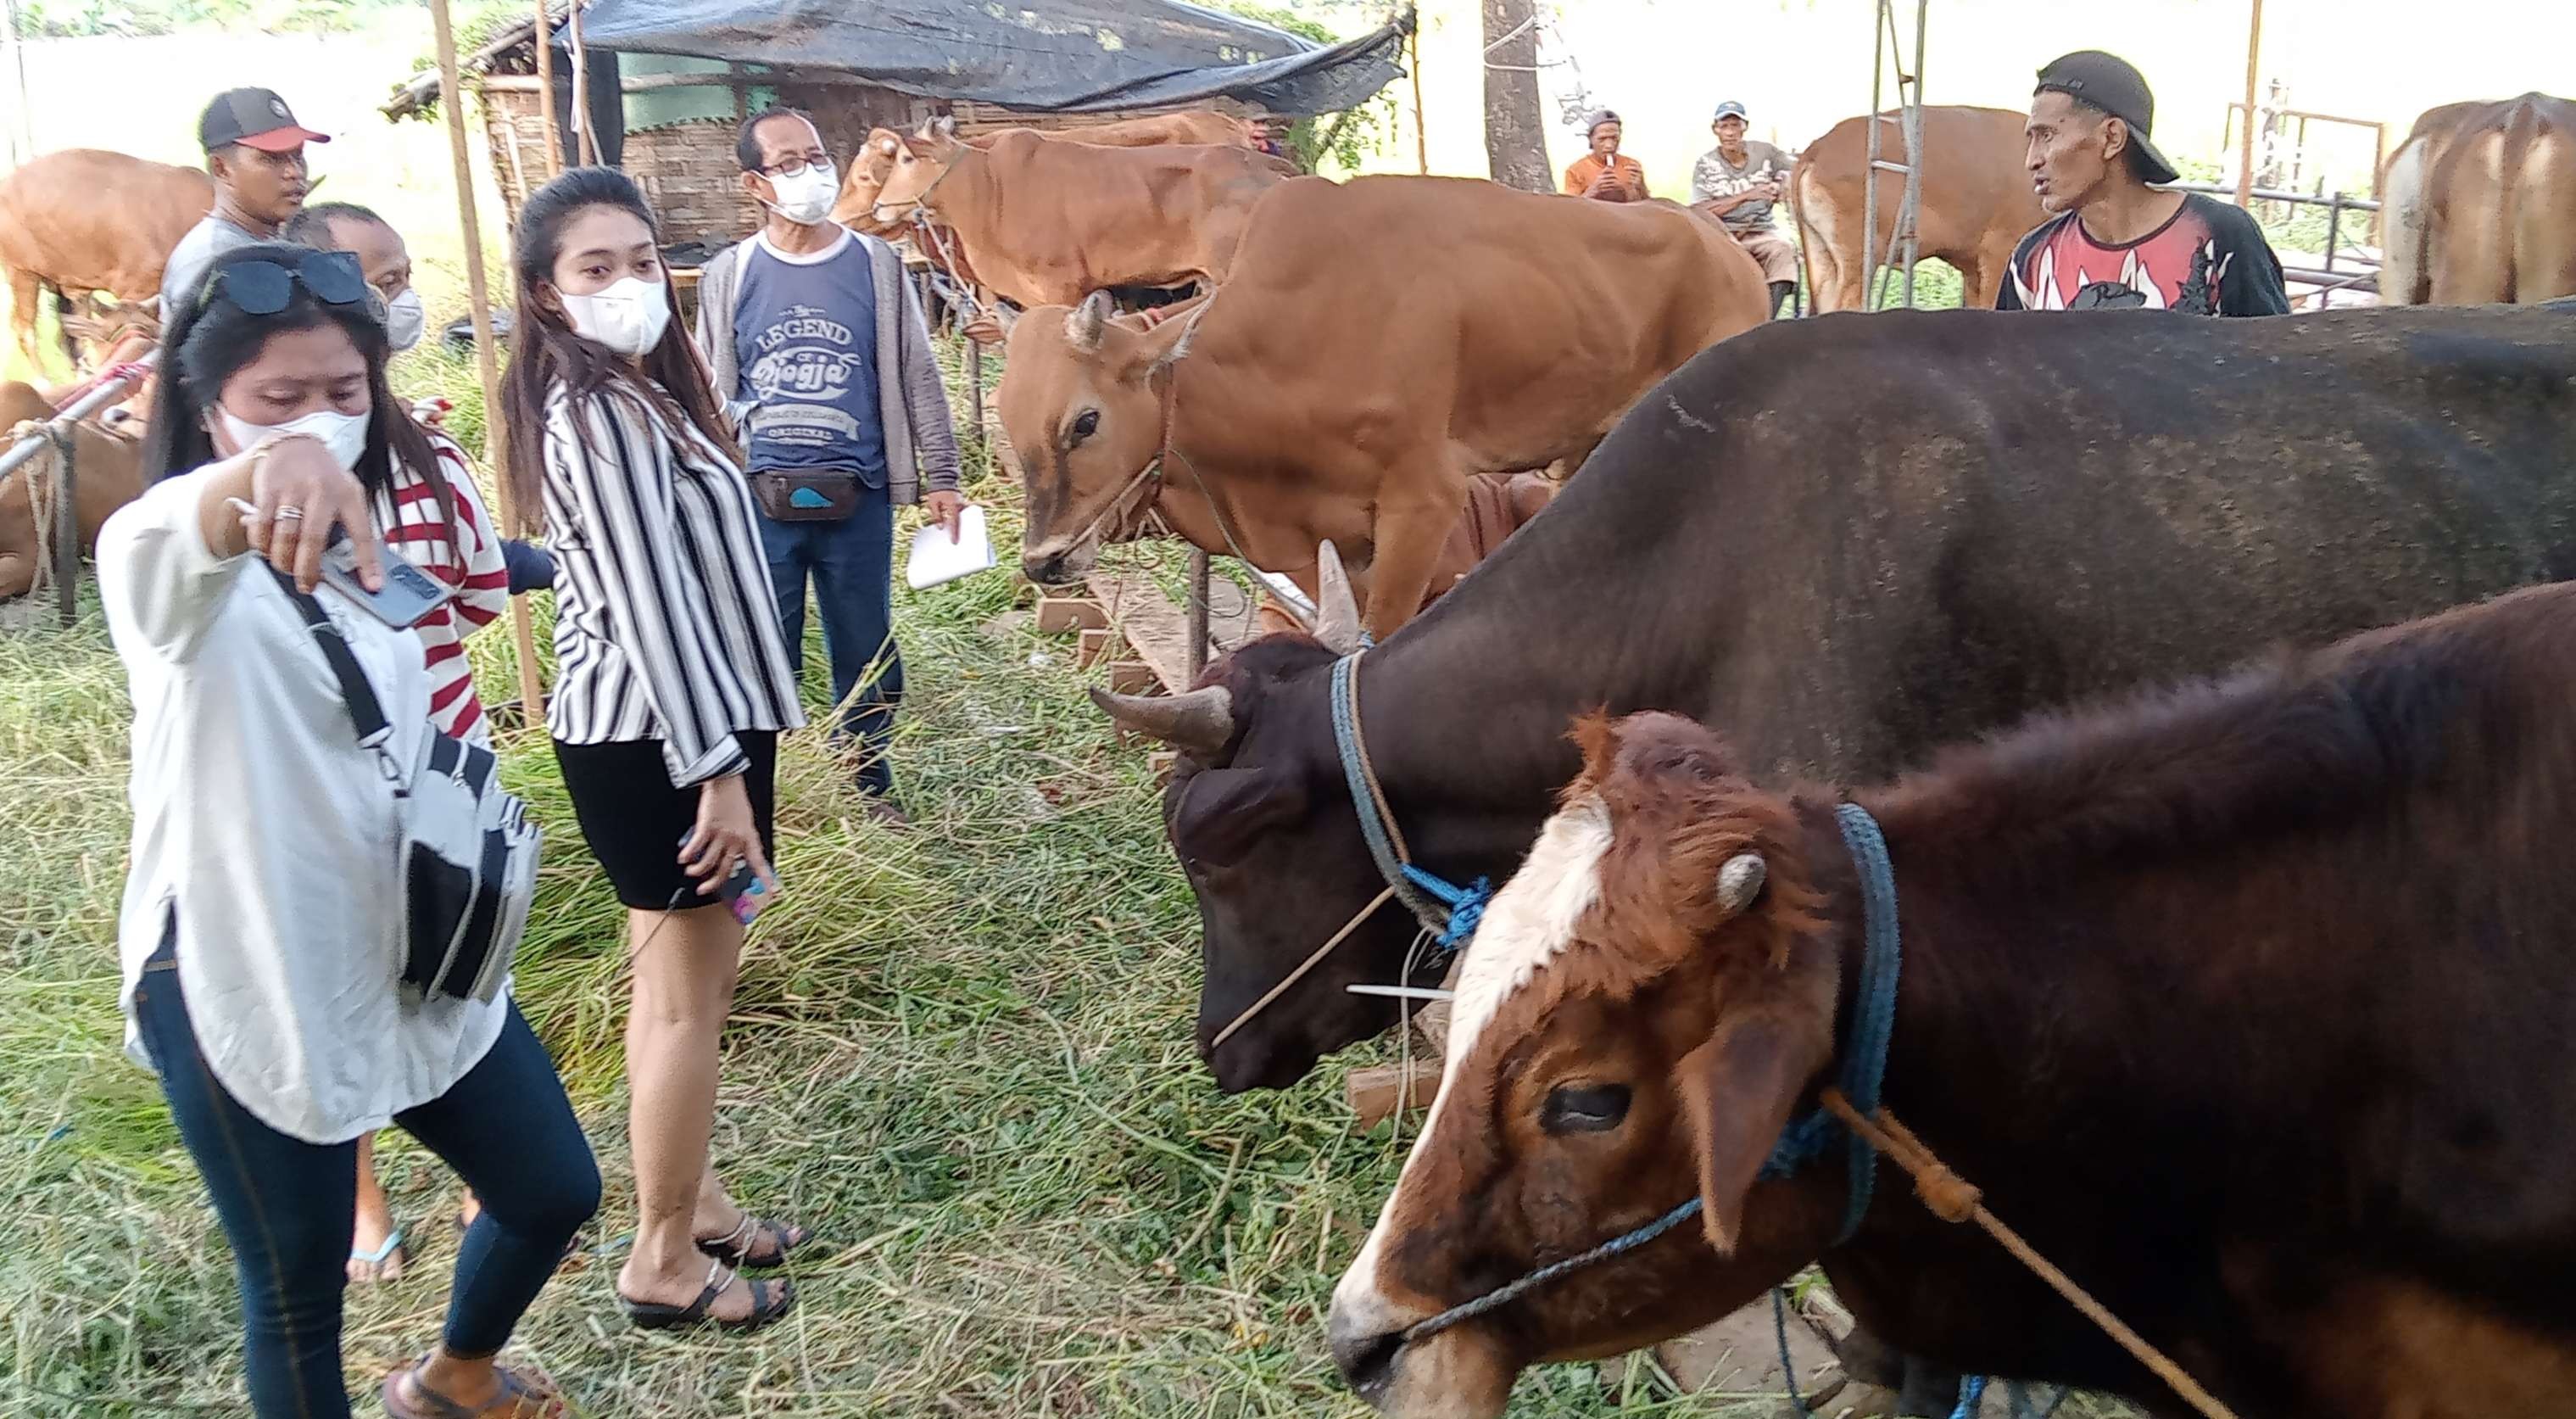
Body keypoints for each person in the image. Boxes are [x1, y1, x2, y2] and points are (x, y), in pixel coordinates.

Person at [96, 241, 598, 1419]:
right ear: (204, 402)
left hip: (407, 943)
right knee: (294, 1297)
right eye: (278, 400)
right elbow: (181, 529)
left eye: (343, 393)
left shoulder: (373, 543)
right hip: (247, 965)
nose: (317, 423)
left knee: (550, 1187)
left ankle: (453, 1378)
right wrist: (263, 474)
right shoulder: (165, 568)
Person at [498, 166, 807, 1332]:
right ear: (542, 294)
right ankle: (663, 1257)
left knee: (678, 984)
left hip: (691, 725)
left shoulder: (641, 392)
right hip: (665, 739)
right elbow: (648, 602)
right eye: (596, 267)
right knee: (687, 1001)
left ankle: (697, 1200)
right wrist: (717, 773)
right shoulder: (597, 413)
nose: (628, 284)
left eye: (639, 261)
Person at [287, 198, 522, 1285]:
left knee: (459, 960)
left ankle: (446, 1181)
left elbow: (477, 588)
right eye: (369, 282)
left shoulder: (428, 437)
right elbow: (474, 596)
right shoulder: (252, 483)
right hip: (330, 795)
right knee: (358, 989)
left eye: (395, 275)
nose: (394, 299)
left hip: (447, 772)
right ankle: (370, 1200)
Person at [694, 107, 964, 815]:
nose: (809, 172)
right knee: (760, 644)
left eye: (815, 156)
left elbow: (917, 373)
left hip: (859, 493)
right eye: (788, 162)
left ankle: (869, 777)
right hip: (760, 499)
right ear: (755, 183)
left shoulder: (874, 266)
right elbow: (707, 388)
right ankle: (755, 793)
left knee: (866, 642)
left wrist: (943, 476)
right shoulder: (730, 274)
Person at [1999, 51, 2289, 315]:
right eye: (2032, 139)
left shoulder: (2220, 235)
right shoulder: (2031, 260)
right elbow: (2003, 368)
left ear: (2112, 138)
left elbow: (2273, 358)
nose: (2032, 160)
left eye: (2047, 135)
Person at [160, 88, 324, 321]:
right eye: (271, 158)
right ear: (222, 169)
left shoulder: (270, 240)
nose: (295, 172)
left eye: (297, 156)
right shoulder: (215, 259)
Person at [1690, 101, 1800, 316]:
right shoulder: (1706, 165)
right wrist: (1747, 196)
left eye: (1735, 125)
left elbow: (1798, 167)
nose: (1730, 133)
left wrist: (1783, 182)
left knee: (1784, 250)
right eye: (1725, 126)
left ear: (1744, 127)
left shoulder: (1766, 153)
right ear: (1716, 130)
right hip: (1722, 233)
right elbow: (1699, 209)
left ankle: (1765, 320)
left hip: (1762, 231)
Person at [1561, 109, 1645, 203]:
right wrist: (1592, 191)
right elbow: (1569, 207)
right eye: (1602, 139)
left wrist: (1639, 187)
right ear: (1591, 139)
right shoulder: (1576, 170)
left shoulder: (1631, 166)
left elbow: (1645, 205)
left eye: (1614, 138)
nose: (1609, 145)